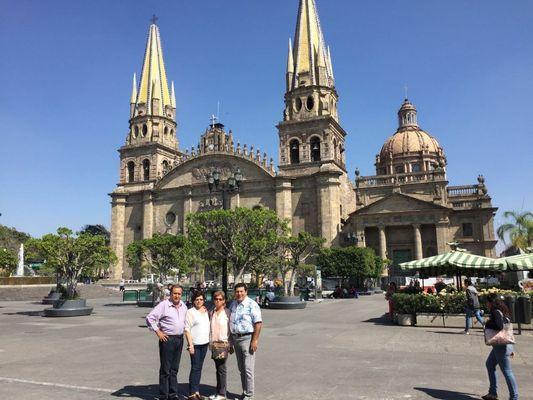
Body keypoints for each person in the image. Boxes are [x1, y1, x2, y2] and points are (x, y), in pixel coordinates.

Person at [146, 285, 187, 400]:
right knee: (166, 369)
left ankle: (173, 394)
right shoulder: (164, 305)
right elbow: (150, 318)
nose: (177, 296)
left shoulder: (183, 306)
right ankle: (164, 395)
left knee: (174, 369)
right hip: (167, 339)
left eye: (179, 294)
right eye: (175, 293)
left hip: (179, 339)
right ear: (171, 293)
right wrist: (158, 331)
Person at [481, 293, 519, 400]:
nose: (486, 304)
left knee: (507, 372)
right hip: (504, 344)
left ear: (491, 302)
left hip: (501, 346)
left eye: (487, 302)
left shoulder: (496, 312)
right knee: (489, 364)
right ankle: (492, 393)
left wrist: (487, 324)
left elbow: (499, 326)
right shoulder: (503, 310)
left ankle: (514, 397)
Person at [229, 283, 263, 400]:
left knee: (248, 368)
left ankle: (250, 395)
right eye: (237, 291)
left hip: (247, 339)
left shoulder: (252, 304)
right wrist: (230, 342)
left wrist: (255, 340)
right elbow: (230, 322)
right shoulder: (233, 304)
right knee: (241, 368)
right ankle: (245, 393)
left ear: (246, 291)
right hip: (236, 338)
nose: (239, 294)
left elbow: (258, 323)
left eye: (241, 291)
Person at [184, 292, 210, 400]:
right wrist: (190, 345)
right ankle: (192, 394)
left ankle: (197, 392)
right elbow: (187, 329)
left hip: (205, 343)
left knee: (199, 368)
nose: (199, 301)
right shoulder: (190, 312)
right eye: (197, 299)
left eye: (201, 299)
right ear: (193, 300)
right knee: (195, 368)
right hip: (195, 344)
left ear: (204, 300)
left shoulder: (205, 311)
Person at [208, 290, 233, 400]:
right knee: (218, 368)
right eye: (216, 299)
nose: (218, 301)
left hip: (223, 345)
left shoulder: (228, 313)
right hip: (214, 344)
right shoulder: (211, 312)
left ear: (224, 301)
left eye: (220, 299)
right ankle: (219, 392)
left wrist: (230, 344)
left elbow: (231, 330)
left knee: (222, 369)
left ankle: (222, 394)